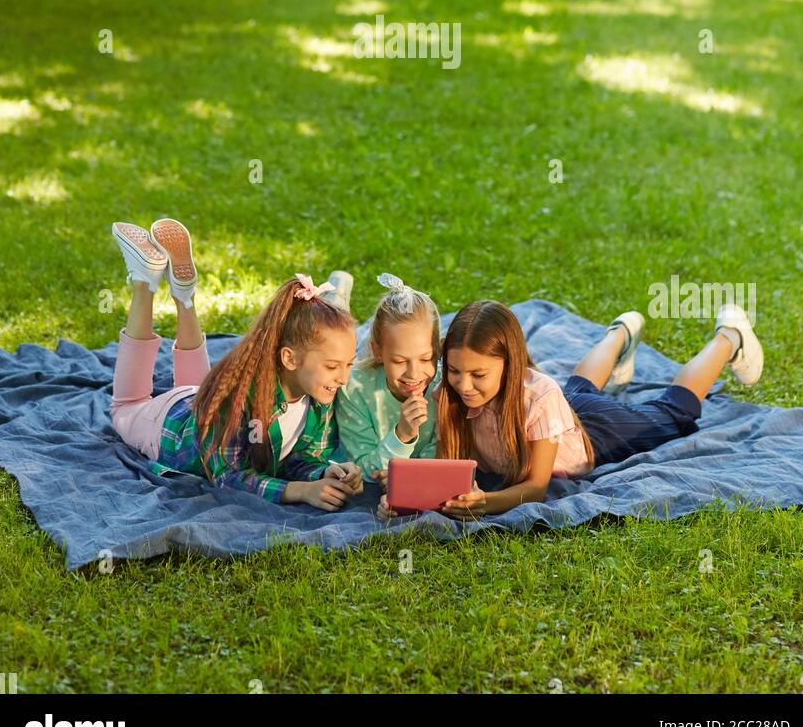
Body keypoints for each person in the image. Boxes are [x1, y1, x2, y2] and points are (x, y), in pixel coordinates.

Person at [109, 218, 362, 509]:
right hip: (166, 426)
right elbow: (228, 477)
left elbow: (300, 457)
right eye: (333, 366)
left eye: (349, 364)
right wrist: (299, 491)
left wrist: (323, 473)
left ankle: (184, 295)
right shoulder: (238, 401)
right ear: (289, 358)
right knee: (126, 405)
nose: (343, 378)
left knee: (201, 389)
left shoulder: (319, 392)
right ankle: (144, 282)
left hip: (199, 401)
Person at [430, 298, 763, 518]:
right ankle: (621, 333)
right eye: (454, 370)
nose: (463, 384)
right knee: (577, 389)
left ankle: (730, 336)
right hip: (568, 412)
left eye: (478, 375)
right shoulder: (448, 394)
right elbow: (444, 462)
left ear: (510, 365)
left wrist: (485, 504)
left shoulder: (538, 397)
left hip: (597, 435)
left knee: (675, 411)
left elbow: (535, 488)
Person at [336, 272, 440, 481]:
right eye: (400, 361)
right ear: (378, 352)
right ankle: (335, 300)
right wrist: (402, 436)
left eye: (425, 358)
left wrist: (406, 478)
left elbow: (440, 458)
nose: (414, 373)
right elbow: (363, 470)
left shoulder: (444, 388)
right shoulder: (354, 389)